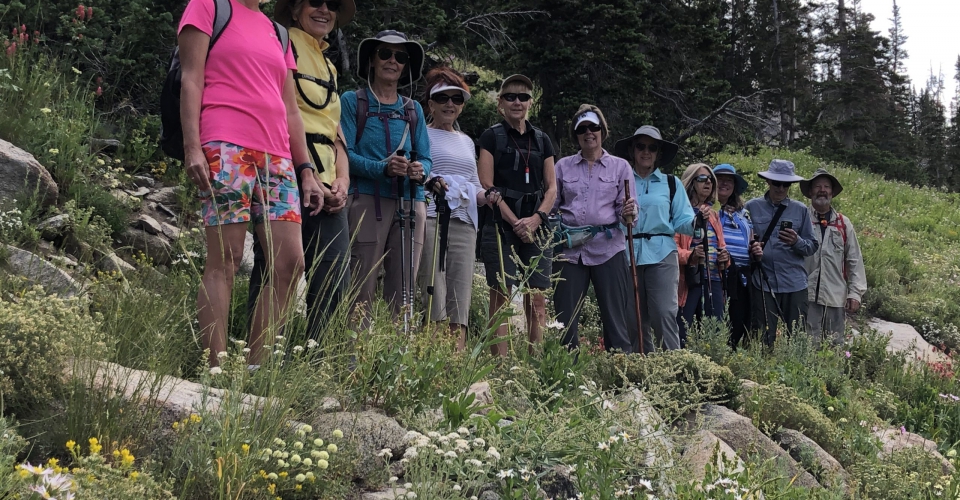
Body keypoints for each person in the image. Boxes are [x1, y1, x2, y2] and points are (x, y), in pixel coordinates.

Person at [178, 0, 324, 368]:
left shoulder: (278, 32)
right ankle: (216, 368)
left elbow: (290, 108)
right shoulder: (208, 7)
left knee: (291, 263)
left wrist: (306, 168)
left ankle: (255, 368)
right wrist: (192, 146)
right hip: (225, 144)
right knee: (224, 260)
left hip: (278, 157)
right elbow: (191, 78)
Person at [247, 0, 354, 343]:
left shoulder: (329, 64)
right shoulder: (281, 43)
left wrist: (342, 180)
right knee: (273, 267)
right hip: (284, 170)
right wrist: (305, 169)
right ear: (295, 10)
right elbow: (280, 113)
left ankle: (318, 356)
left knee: (333, 272)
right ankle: (257, 356)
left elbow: (335, 132)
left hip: (327, 181)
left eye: (333, 4)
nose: (325, 9)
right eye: (315, 2)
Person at [340, 30, 432, 328]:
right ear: (371, 60)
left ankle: (398, 358)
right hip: (366, 199)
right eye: (385, 54)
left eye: (400, 57)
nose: (392, 61)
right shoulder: (353, 102)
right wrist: (382, 168)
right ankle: (356, 360)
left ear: (406, 66)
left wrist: (421, 171)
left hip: (410, 201)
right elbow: (344, 155)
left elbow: (427, 158)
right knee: (361, 283)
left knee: (404, 287)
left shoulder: (413, 109)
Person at [478, 74, 557, 356]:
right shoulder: (491, 136)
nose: (517, 101)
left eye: (523, 97)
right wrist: (515, 222)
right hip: (501, 223)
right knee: (501, 293)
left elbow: (551, 188)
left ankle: (534, 362)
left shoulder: (542, 140)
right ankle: (499, 364)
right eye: (510, 96)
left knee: (537, 296)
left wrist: (536, 219)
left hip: (536, 224)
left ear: (530, 103)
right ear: (500, 103)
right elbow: (487, 185)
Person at [552, 105, 639, 353]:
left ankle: (621, 371)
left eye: (593, 127)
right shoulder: (562, 167)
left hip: (609, 249)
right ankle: (567, 373)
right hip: (568, 250)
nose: (588, 132)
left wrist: (629, 212)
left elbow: (630, 216)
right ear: (576, 134)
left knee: (615, 318)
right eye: (582, 129)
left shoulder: (621, 167)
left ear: (602, 130)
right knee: (564, 319)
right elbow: (551, 205)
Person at [416, 67, 487, 350]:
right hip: (432, 216)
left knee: (460, 293)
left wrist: (489, 196)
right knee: (434, 289)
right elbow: (418, 170)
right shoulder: (421, 133)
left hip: (464, 222)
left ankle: (455, 363)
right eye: (443, 98)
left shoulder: (467, 141)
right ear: (430, 104)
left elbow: (474, 183)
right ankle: (432, 359)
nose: (450, 104)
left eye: (457, 99)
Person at [614, 126, 694, 352]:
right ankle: (642, 370)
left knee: (663, 313)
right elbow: (610, 217)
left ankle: (672, 368)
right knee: (633, 317)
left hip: (662, 252)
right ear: (632, 150)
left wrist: (699, 223)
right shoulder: (621, 181)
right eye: (641, 146)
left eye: (652, 147)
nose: (646, 151)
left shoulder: (671, 183)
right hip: (627, 253)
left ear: (658, 152)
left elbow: (683, 220)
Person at [745, 159, 818, 346]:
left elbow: (812, 246)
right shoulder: (751, 207)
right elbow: (741, 242)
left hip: (794, 283)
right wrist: (752, 249)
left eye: (786, 184)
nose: (781, 188)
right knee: (762, 336)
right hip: (763, 281)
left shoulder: (800, 210)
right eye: (777, 183)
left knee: (796, 337)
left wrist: (796, 242)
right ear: (768, 182)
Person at [800, 168, 867, 345]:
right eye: (817, 186)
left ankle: (832, 373)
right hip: (805, 294)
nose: (822, 190)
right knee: (805, 344)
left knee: (834, 347)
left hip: (835, 297)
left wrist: (855, 293)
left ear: (832, 192)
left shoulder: (843, 224)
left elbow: (854, 259)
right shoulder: (801, 218)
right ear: (810, 191)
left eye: (827, 186)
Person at [675, 163, 729, 347]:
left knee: (714, 331)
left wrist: (725, 258)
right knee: (683, 329)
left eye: (710, 180)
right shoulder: (680, 212)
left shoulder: (713, 215)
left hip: (713, 278)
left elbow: (722, 246)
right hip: (690, 280)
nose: (708, 182)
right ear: (691, 183)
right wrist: (690, 256)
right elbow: (671, 249)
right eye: (702, 179)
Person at [713, 163, 762, 349]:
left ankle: (730, 353)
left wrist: (755, 250)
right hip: (717, 273)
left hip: (742, 275)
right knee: (719, 318)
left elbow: (750, 237)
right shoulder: (707, 209)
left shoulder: (743, 213)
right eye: (720, 179)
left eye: (729, 180)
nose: (724, 183)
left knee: (739, 319)